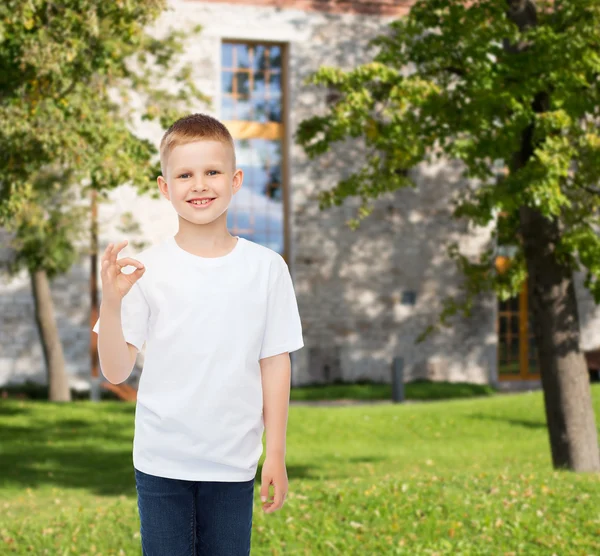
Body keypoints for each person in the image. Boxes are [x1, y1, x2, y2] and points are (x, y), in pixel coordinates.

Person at [92, 113, 304, 555]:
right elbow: (115, 371)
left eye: (212, 172)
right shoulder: (144, 271)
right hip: (161, 462)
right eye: (185, 174)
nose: (200, 184)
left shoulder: (267, 269)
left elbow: (275, 362)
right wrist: (111, 304)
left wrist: (277, 452)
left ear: (235, 179)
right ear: (165, 187)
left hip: (233, 463)